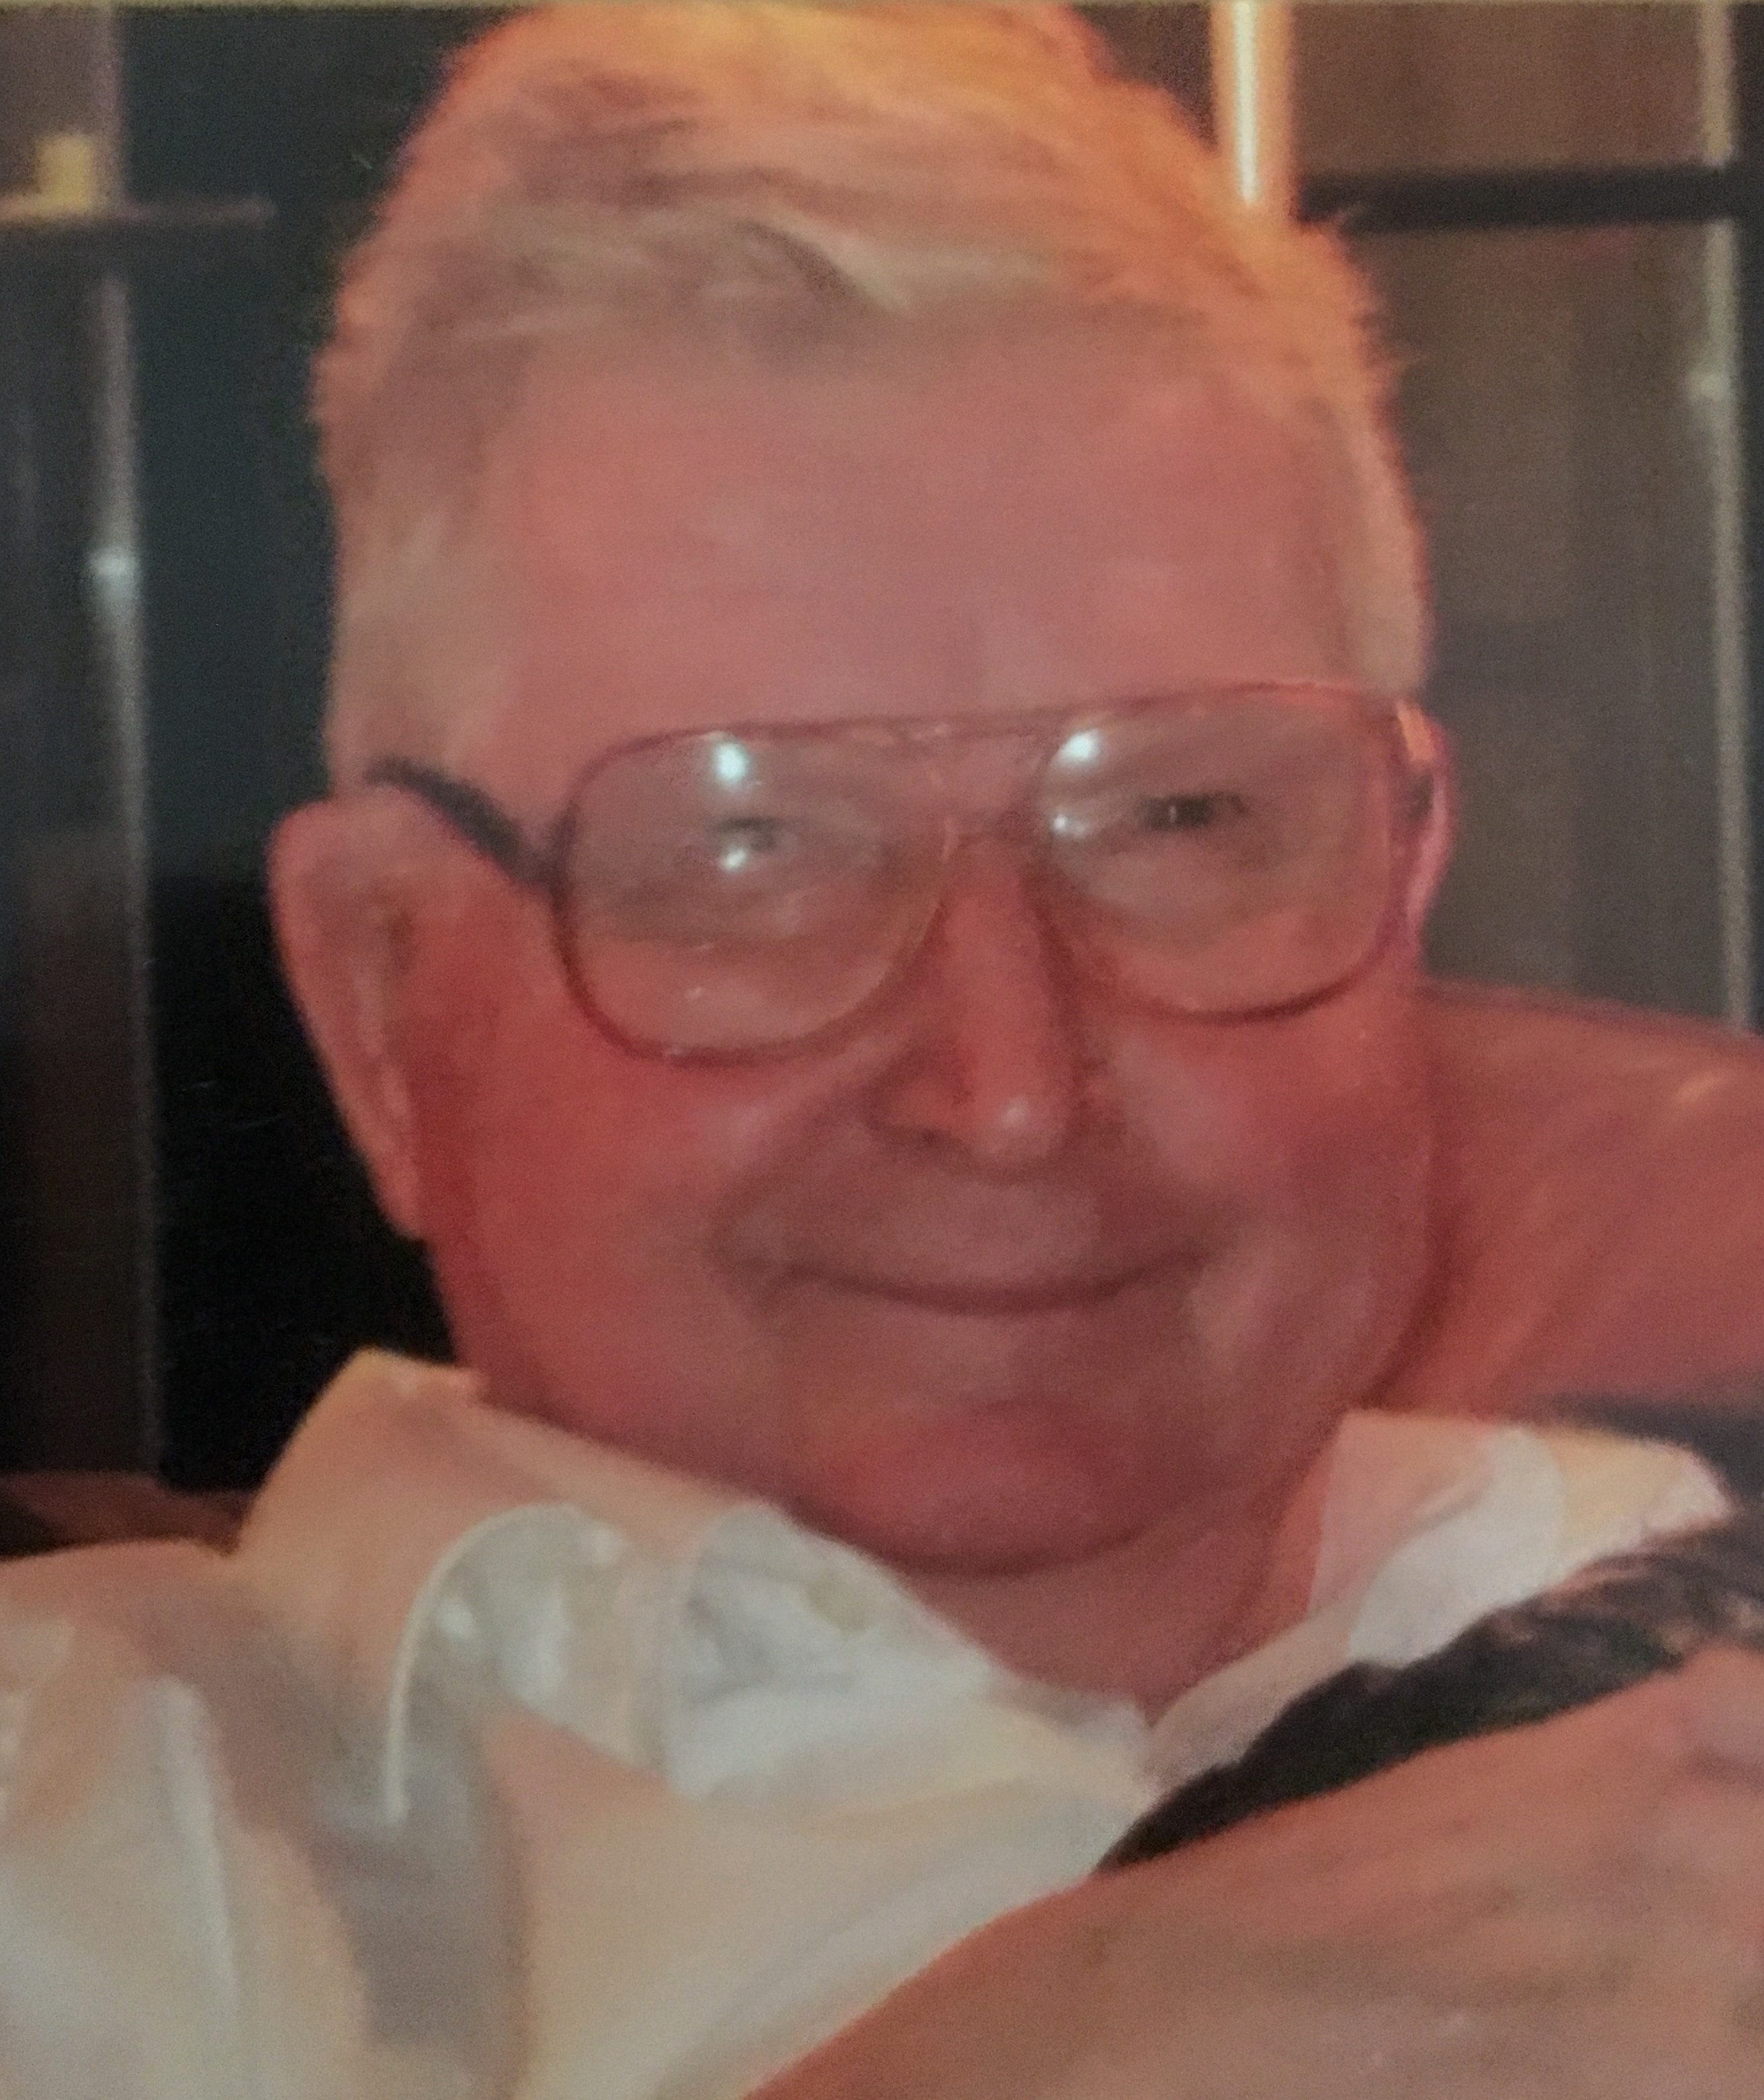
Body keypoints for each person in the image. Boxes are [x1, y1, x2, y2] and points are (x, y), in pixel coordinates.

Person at [11, 7, 1764, 2095]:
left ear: (1399, 880)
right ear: (382, 1001)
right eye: (751, 848)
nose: (1008, 1089)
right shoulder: (83, 1841)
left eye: (1177, 817)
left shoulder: (1676, 1609)